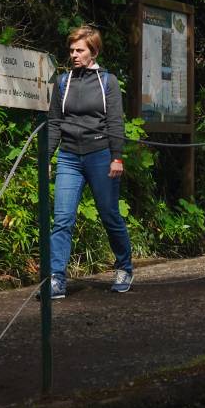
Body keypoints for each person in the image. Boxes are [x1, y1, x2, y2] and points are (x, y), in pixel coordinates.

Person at [45, 24, 134, 299]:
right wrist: (46, 158)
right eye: (71, 50)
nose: (74, 54)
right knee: (62, 219)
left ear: (93, 52)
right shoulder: (62, 82)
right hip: (69, 156)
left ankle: (124, 267)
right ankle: (56, 278)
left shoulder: (108, 81)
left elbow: (115, 121)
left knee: (109, 215)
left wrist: (116, 157)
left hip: (100, 155)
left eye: (79, 50)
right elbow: (54, 122)